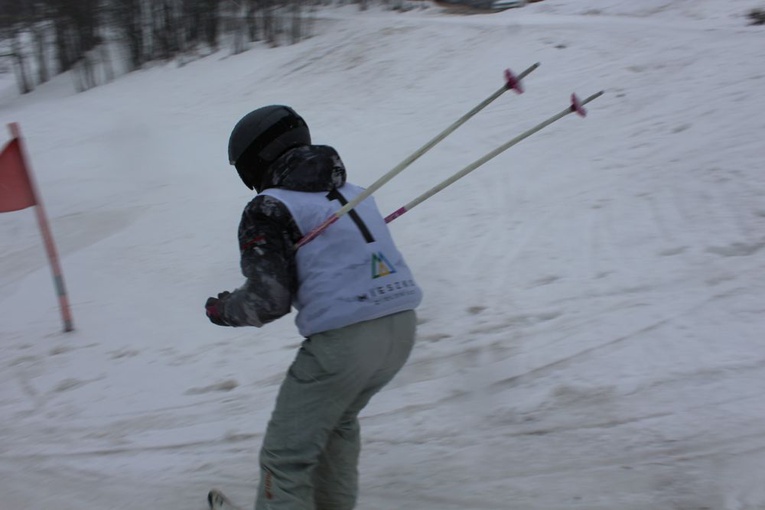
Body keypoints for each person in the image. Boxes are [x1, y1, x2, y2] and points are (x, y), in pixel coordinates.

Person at [204, 105, 423, 510]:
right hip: (401, 327)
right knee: (337, 424)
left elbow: (267, 300)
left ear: (258, 159)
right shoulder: (351, 192)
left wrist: (224, 310)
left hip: (345, 339)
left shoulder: (268, 207)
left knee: (284, 459)